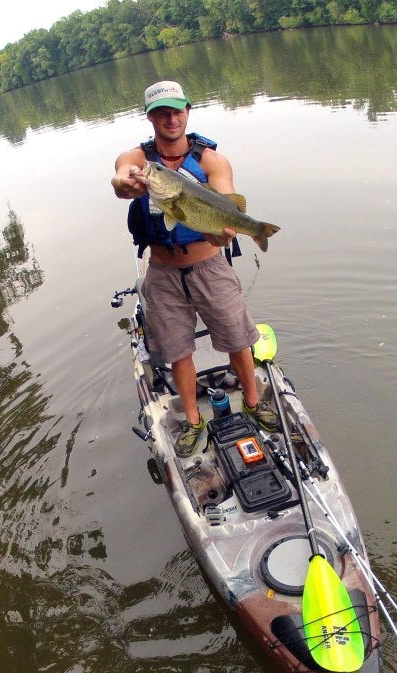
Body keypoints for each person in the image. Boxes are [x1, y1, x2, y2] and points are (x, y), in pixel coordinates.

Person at [111, 80, 281, 457]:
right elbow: (122, 175)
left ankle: (253, 402)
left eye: (176, 111)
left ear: (187, 110)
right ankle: (192, 420)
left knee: (238, 338)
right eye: (161, 113)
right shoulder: (141, 160)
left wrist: (223, 231)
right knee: (177, 350)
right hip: (162, 272)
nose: (170, 119)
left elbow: (226, 201)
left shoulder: (211, 161)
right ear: (150, 118)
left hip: (209, 265)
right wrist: (124, 182)